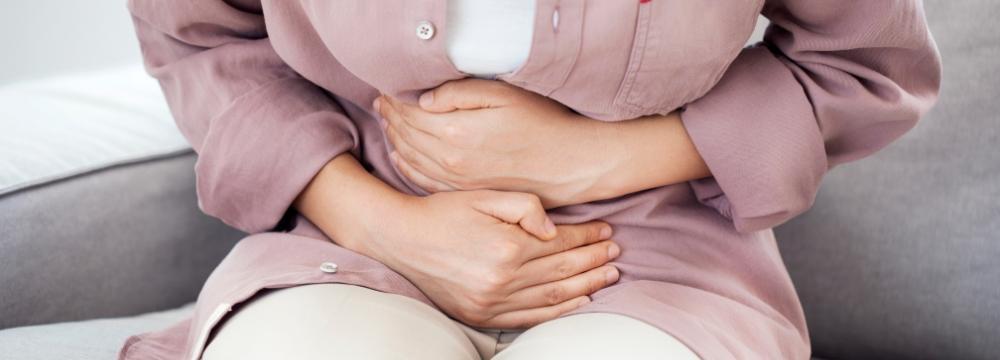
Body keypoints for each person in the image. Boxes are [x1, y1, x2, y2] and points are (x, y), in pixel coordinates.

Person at [121, 1, 941, 359]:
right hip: (351, 243)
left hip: (656, 264)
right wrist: (376, 222)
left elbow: (868, 67)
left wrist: (595, 155)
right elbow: (199, 42)